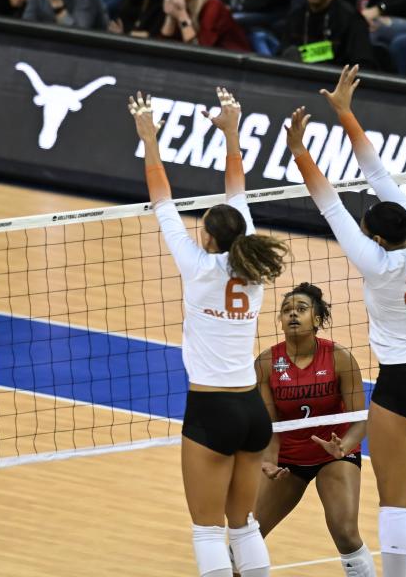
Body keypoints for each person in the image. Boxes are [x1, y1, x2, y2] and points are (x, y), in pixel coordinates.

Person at [286, 64, 406, 577]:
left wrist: (300, 150)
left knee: (394, 503)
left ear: (377, 238)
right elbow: (380, 176)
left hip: (404, 382)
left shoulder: (376, 263)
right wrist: (346, 115)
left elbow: (329, 205)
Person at [130, 87, 287, 576]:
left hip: (211, 409)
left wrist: (149, 138)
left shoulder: (196, 265)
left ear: (207, 236)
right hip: (251, 410)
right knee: (242, 527)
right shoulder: (256, 265)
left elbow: (161, 199)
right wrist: (232, 131)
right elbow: (238, 193)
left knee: (206, 529)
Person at [254, 283, 375, 576]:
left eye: (301, 309)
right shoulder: (267, 363)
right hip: (288, 458)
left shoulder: (339, 358)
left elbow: (361, 418)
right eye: (286, 310)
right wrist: (268, 461)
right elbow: (270, 426)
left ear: (317, 320)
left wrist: (344, 445)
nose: (292, 314)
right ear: (280, 321)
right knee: (248, 534)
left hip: (334, 454)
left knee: (345, 532)